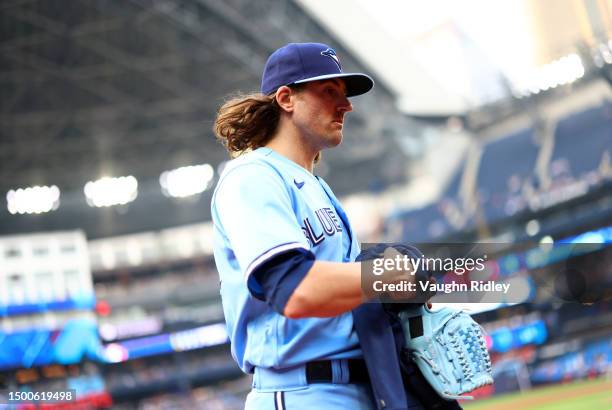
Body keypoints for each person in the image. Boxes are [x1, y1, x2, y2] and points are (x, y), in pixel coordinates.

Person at [211, 43, 428, 410]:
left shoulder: (316, 186)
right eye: (329, 92)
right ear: (286, 98)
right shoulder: (252, 177)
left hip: (357, 387)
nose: (346, 105)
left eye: (344, 95)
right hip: (300, 390)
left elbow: (346, 294)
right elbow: (296, 290)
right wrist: (390, 273)